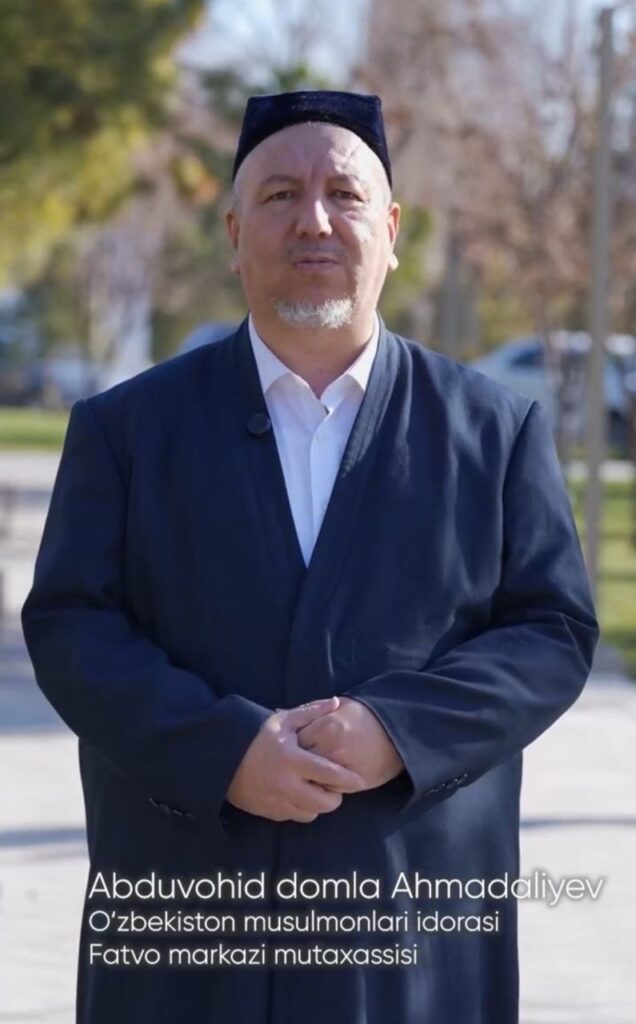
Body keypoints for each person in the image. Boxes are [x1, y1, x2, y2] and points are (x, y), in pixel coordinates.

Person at [21, 90, 599, 1024]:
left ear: (392, 229)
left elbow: (552, 632)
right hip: (185, 930)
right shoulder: (125, 431)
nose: (315, 220)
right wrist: (223, 750)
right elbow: (70, 628)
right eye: (281, 194)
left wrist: (397, 731)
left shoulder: (496, 431)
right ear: (233, 232)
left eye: (345, 194)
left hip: (413, 930)